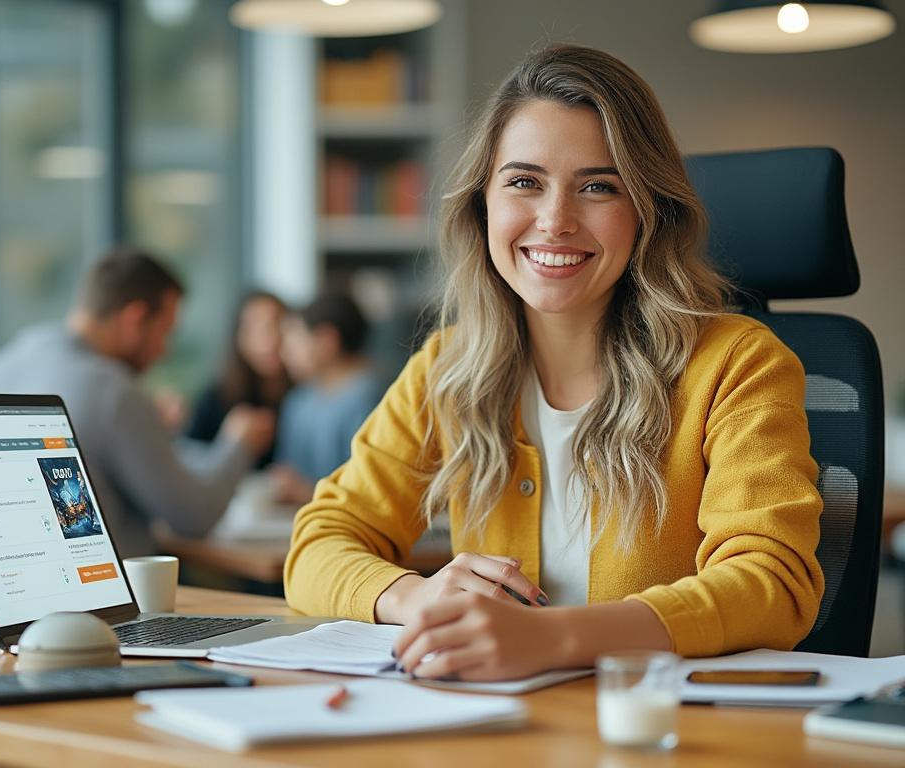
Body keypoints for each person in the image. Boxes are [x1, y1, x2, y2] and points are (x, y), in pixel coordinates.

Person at [284, 45, 824, 681]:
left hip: (662, 733)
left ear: (650, 209)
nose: (555, 220)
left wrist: (553, 636)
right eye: (524, 182)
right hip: (496, 729)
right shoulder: (447, 369)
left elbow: (772, 581)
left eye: (598, 186)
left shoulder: (737, 363)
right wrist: (414, 596)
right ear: (482, 204)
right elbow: (320, 541)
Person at [0, 247, 275, 558]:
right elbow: (193, 516)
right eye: (164, 332)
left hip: (10, 593)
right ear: (135, 318)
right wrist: (239, 445)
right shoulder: (113, 390)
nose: (164, 350)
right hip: (112, 596)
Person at [268, 292, 386, 506]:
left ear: (326, 341)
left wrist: (308, 492)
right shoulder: (298, 401)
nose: (284, 352)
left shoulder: (373, 399)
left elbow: (376, 488)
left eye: (293, 340)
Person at [185, 291, 292, 467]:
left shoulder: (307, 396)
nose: (271, 339)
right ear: (239, 336)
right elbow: (189, 456)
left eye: (278, 325)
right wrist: (231, 441)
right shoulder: (217, 397)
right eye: (257, 329)